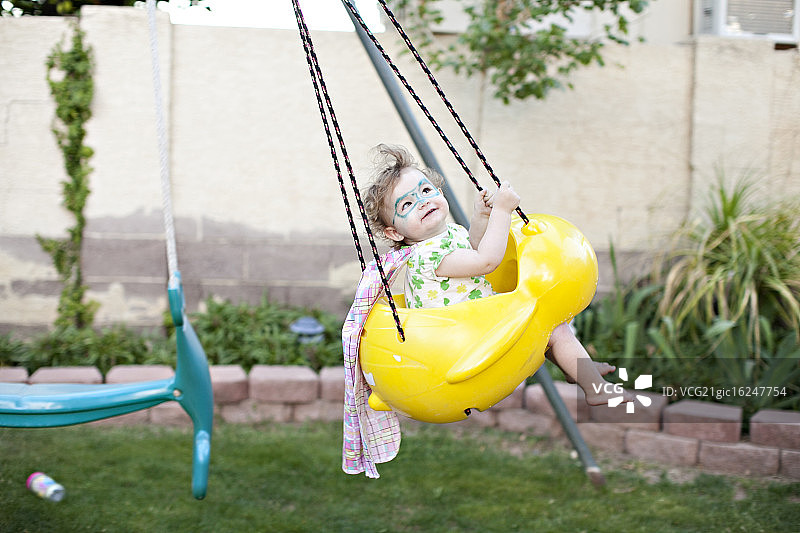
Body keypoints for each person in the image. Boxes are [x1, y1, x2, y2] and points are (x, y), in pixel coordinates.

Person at [363, 144, 632, 406]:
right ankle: (593, 385)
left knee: (543, 327)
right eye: (407, 204)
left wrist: (481, 217)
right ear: (394, 233)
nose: (422, 202)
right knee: (551, 327)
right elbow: (486, 260)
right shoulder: (425, 256)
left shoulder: (447, 234)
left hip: (473, 325)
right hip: (461, 341)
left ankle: (577, 368)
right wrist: (503, 212)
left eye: (425, 190)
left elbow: (475, 247)